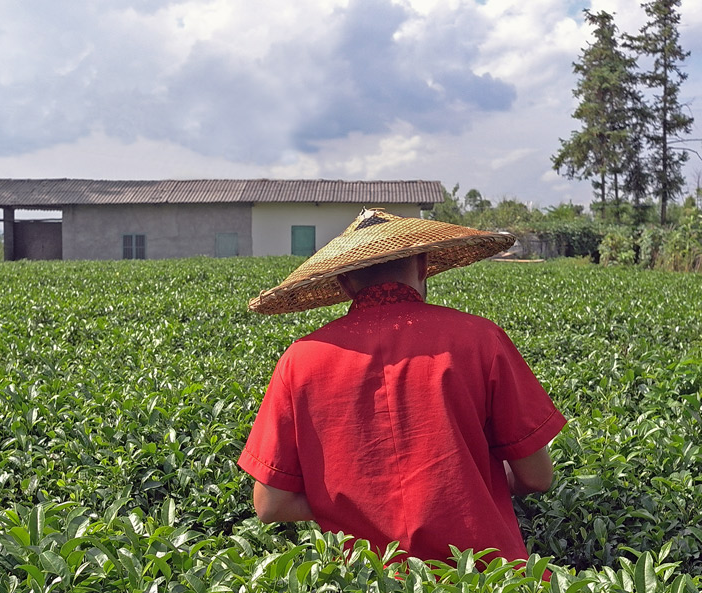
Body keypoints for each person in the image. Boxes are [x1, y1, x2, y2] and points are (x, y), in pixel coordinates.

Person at [238, 208, 566, 565]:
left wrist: (355, 507)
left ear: (344, 283)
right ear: (424, 266)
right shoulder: (481, 339)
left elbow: (271, 504)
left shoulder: (299, 361)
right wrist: (475, 483)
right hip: (483, 586)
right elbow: (537, 477)